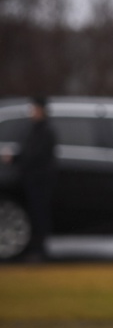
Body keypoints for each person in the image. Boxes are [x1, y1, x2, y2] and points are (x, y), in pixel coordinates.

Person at [4, 96, 56, 260]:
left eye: (35, 109)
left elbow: (36, 155)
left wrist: (17, 158)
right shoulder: (32, 130)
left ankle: (40, 250)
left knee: (40, 216)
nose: (32, 112)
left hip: (40, 182)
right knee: (32, 217)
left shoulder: (45, 131)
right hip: (30, 181)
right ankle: (34, 249)